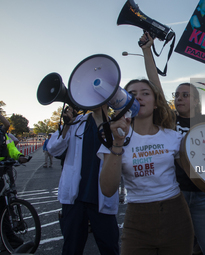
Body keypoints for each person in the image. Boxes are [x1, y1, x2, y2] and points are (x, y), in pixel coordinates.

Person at [141, 31, 205, 255]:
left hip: (204, 195)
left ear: (197, 100)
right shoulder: (169, 120)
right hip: (175, 195)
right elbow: (155, 85)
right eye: (177, 95)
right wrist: (147, 50)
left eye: (185, 95)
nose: (179, 98)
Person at [98, 35, 194, 255]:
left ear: (155, 101)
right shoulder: (112, 138)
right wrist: (118, 143)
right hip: (137, 220)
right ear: (122, 101)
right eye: (131, 94)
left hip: (176, 216)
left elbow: (193, 173)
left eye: (145, 93)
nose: (138, 98)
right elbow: (108, 189)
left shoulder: (172, 136)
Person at [47, 105, 119, 255]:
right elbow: (53, 149)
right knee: (71, 248)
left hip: (102, 197)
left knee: (109, 246)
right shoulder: (75, 123)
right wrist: (66, 125)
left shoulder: (115, 125)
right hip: (75, 199)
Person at [0, 113, 28, 249]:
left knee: (3, 207)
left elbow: (11, 147)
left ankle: (8, 237)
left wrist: (19, 156)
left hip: (1, 171)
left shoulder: (2, 134)